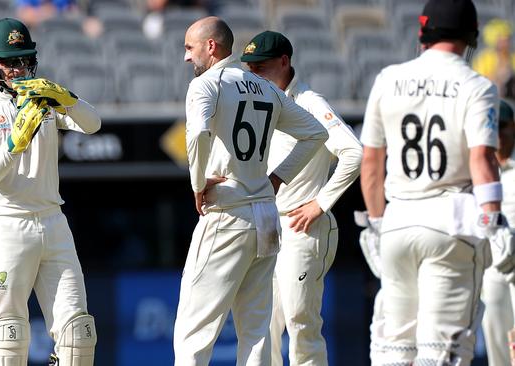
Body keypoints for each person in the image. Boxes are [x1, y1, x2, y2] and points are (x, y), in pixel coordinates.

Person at [360, 0, 515, 364]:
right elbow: (480, 159)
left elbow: (371, 161)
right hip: (452, 223)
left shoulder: (388, 78)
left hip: (398, 221)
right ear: (471, 36)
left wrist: (378, 222)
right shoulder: (477, 86)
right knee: (442, 351)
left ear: (423, 32)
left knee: (393, 347)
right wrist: (492, 218)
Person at [174, 16, 329, 366]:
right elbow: (316, 133)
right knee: (257, 332)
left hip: (228, 211)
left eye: (189, 47)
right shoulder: (266, 87)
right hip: (265, 215)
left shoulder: (206, 84)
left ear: (211, 46)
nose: (186, 57)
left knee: (193, 329)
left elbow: (197, 134)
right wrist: (277, 178)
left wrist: (197, 185)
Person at [0, 18, 100, 366]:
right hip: (7, 224)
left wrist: (67, 98)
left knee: (78, 334)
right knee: (10, 332)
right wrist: (14, 143)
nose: (19, 68)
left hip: (53, 220)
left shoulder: (44, 101)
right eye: (10, 61)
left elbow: (92, 124)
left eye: (24, 60)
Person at [241, 30, 362, 366]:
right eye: (250, 67)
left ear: (284, 62)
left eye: (261, 66)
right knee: (263, 324)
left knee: (300, 321)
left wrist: (320, 203)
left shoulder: (310, 102)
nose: (254, 74)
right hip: (266, 225)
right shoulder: (257, 104)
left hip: (303, 226)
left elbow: (354, 153)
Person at [481, 99, 515, 366]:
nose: (498, 135)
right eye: (493, 129)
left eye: (503, 127)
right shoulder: (480, 166)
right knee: (496, 340)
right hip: (494, 265)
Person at [472, 18, 515, 96]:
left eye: (508, 39)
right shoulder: (484, 58)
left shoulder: (512, 57)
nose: (507, 43)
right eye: (502, 40)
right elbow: (480, 81)